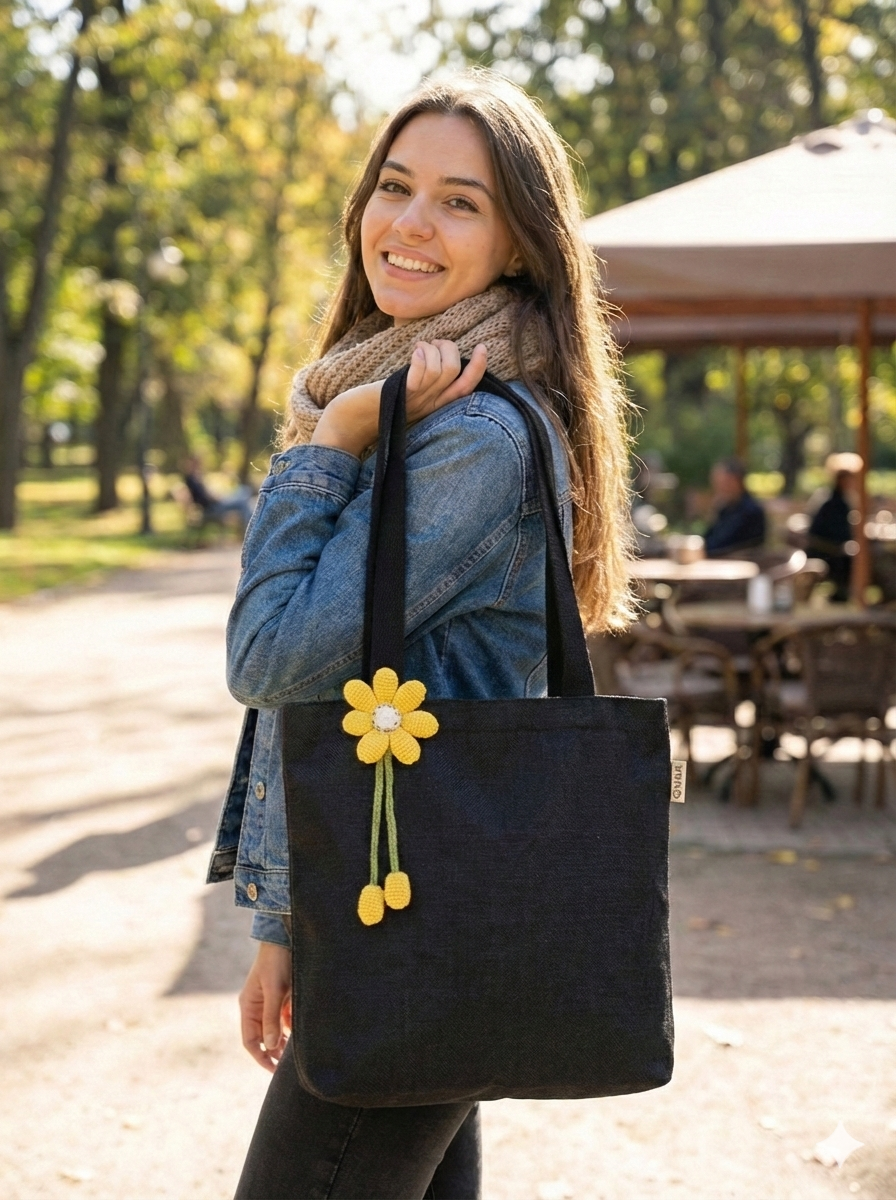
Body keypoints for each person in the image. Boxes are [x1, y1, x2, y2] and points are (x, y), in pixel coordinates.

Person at [207, 69, 635, 1199]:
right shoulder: (408, 399)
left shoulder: (468, 439)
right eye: (395, 186)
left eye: (460, 201)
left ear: (519, 247)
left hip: (418, 927)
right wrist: (283, 923)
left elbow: (270, 658)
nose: (408, 223)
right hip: (403, 907)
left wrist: (328, 446)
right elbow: (349, 708)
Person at [807, 467, 857, 601]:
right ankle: (841, 595)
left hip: (829, 547)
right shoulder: (833, 503)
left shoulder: (839, 500)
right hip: (824, 550)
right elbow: (837, 533)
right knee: (850, 559)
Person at [703, 457, 766, 557]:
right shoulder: (726, 509)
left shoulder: (750, 511)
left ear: (735, 481)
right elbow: (708, 539)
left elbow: (721, 545)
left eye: (722, 483)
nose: (718, 488)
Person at [181, 454, 254, 531]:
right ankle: (250, 531)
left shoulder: (195, 479)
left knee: (244, 494)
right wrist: (217, 498)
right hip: (212, 508)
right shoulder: (192, 480)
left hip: (215, 505)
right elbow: (205, 499)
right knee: (243, 501)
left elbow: (205, 496)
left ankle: (249, 531)